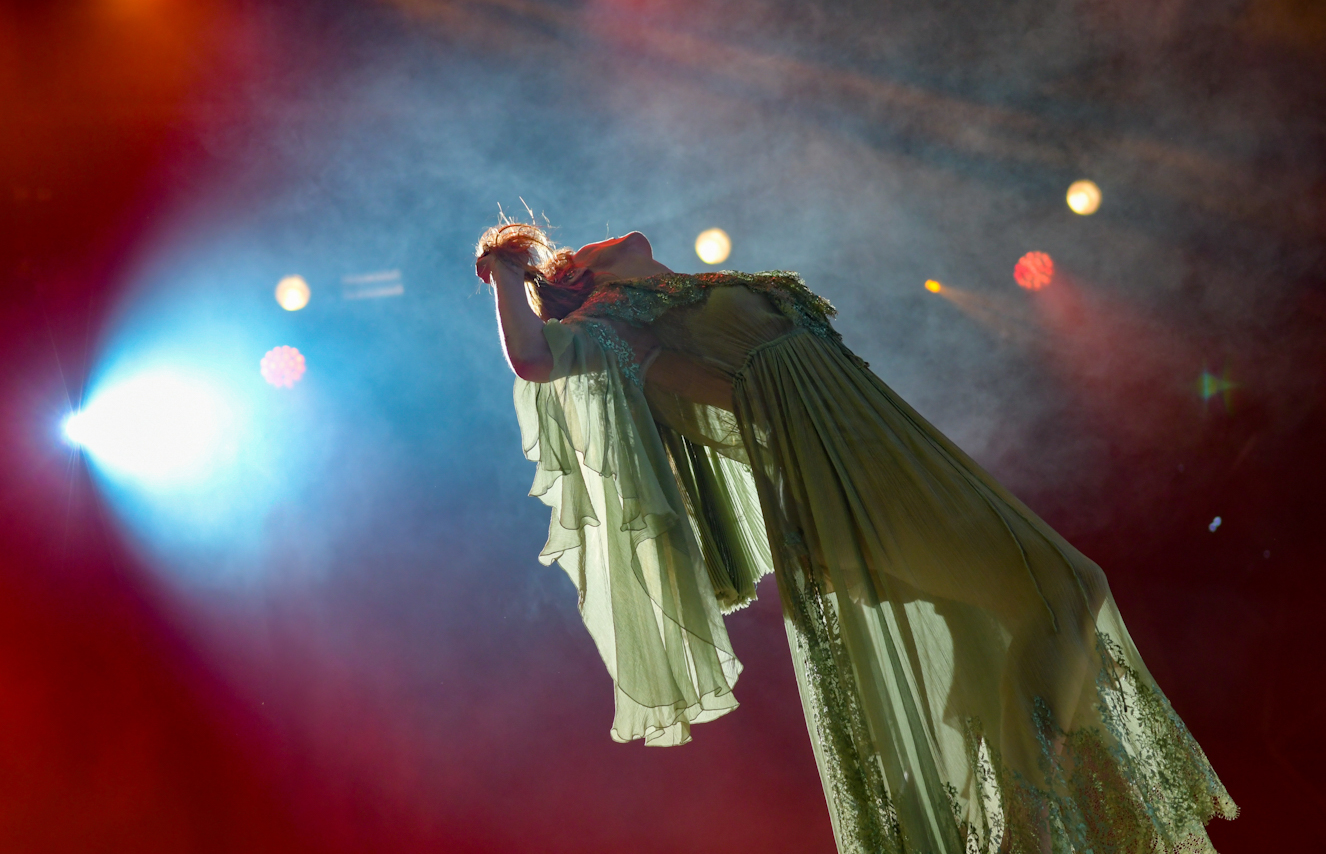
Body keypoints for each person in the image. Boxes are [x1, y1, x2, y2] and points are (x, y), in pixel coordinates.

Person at [475, 221, 1237, 854]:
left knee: (1062, 596)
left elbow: (636, 240)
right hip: (836, 473)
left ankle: (1027, 825)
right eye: (569, 255)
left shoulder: (657, 278)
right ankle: (1029, 830)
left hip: (883, 436)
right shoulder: (608, 330)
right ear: (570, 282)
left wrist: (543, 263)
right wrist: (507, 271)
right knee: (1064, 587)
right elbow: (533, 357)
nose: (588, 239)